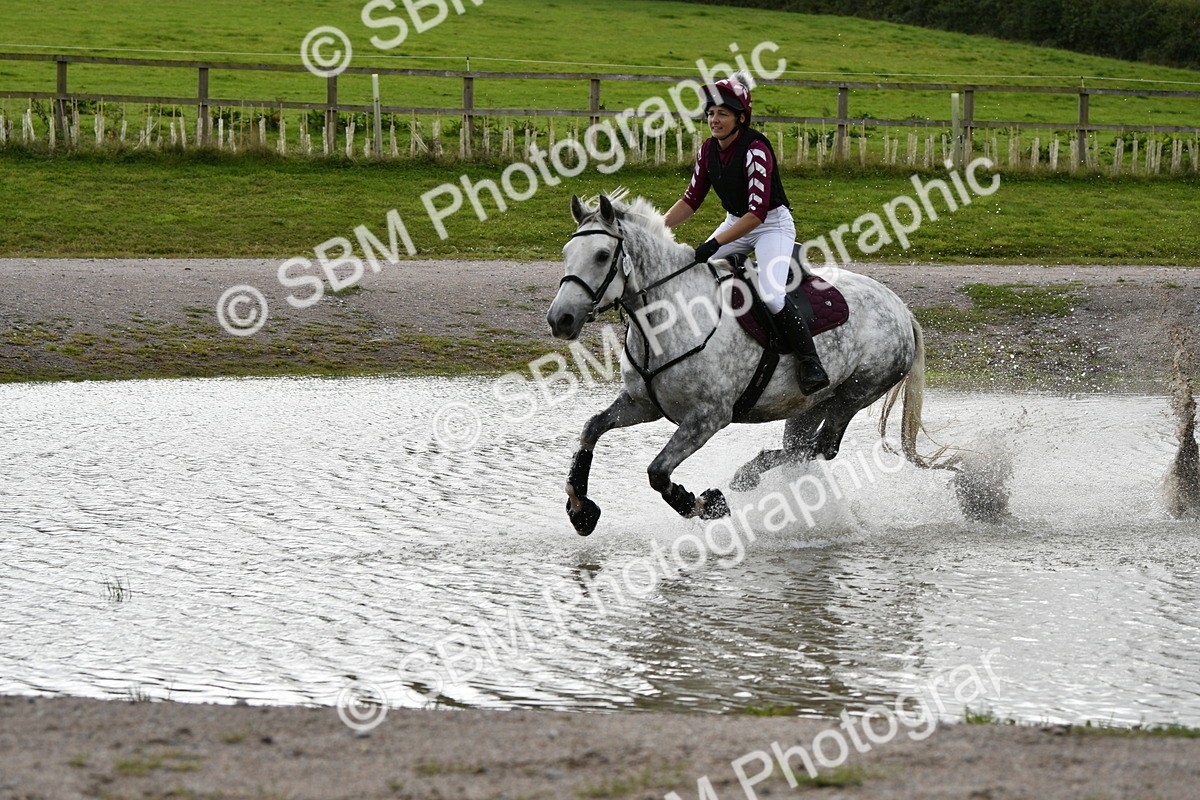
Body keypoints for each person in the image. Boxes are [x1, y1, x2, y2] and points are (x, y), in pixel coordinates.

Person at [663, 75, 830, 395]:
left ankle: (810, 361)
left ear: (741, 117)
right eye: (711, 112)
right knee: (692, 274)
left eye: (723, 113)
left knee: (771, 295)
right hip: (736, 221)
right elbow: (690, 200)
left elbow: (758, 213)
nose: (714, 119)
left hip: (771, 226)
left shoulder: (755, 150)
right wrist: (658, 228)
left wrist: (714, 243)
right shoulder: (708, 150)